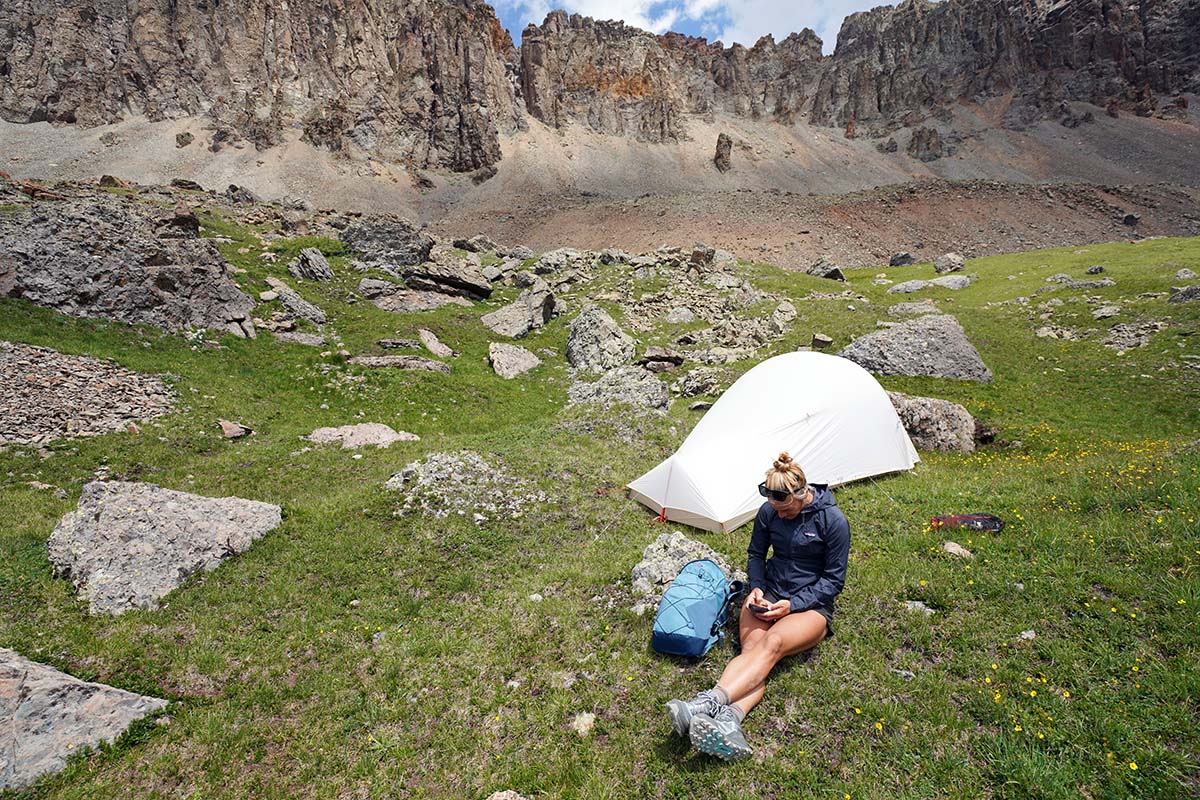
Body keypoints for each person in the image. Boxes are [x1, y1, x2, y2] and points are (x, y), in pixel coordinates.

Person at [665, 452, 851, 760]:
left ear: (802, 495)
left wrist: (792, 605)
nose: (779, 516)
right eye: (774, 510)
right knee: (753, 654)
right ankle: (730, 720)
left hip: (810, 608)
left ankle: (706, 703)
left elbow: (833, 582)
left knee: (773, 643)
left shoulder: (833, 521)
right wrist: (758, 588)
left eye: (786, 511)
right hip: (768, 595)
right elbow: (755, 554)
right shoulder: (769, 511)